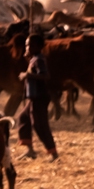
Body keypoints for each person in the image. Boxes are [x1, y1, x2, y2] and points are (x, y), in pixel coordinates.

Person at [18, 32, 59, 161]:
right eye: (26, 46)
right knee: (23, 118)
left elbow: (45, 76)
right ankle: (29, 150)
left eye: (28, 45)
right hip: (33, 97)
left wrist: (27, 75)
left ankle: (53, 153)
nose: (26, 48)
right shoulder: (34, 59)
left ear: (36, 46)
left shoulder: (39, 60)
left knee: (39, 125)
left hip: (39, 97)